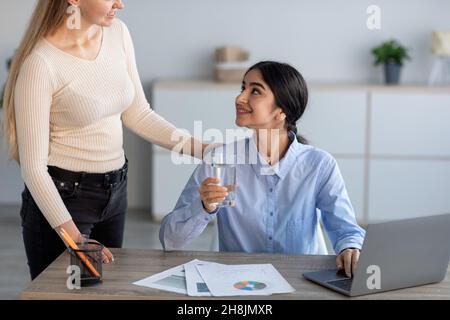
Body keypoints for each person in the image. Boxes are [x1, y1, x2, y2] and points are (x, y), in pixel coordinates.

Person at [2, 0, 203, 280]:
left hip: (115, 190)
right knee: (67, 297)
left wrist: (203, 149)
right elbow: (33, 168)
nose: (120, 4)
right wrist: (75, 239)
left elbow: (138, 113)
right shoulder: (41, 63)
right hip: (64, 198)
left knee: (104, 291)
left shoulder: (117, 33)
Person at [160, 61, 366, 278]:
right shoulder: (220, 161)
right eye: (243, 88)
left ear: (281, 111)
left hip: (301, 283)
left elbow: (347, 230)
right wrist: (204, 207)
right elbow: (169, 240)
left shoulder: (319, 165)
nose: (239, 98)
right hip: (238, 284)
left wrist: (350, 248)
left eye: (255, 91)